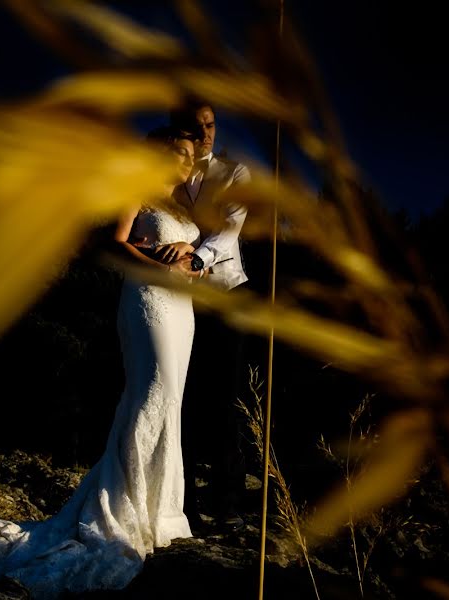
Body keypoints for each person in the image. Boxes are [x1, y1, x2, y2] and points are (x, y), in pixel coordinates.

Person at [0, 126, 202, 598]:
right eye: (177, 151)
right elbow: (111, 244)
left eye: (190, 154)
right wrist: (159, 262)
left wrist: (190, 254)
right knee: (151, 393)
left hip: (184, 309)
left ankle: (162, 511)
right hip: (148, 301)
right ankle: (121, 510)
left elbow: (201, 257)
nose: (185, 160)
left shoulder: (188, 207)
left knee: (173, 401)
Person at [166, 100, 252, 530]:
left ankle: (229, 504)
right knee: (183, 396)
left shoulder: (236, 174)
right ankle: (183, 499)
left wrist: (197, 260)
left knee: (226, 399)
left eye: (212, 125)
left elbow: (229, 228)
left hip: (225, 296)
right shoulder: (171, 178)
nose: (206, 134)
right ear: (180, 130)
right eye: (196, 127)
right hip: (178, 302)